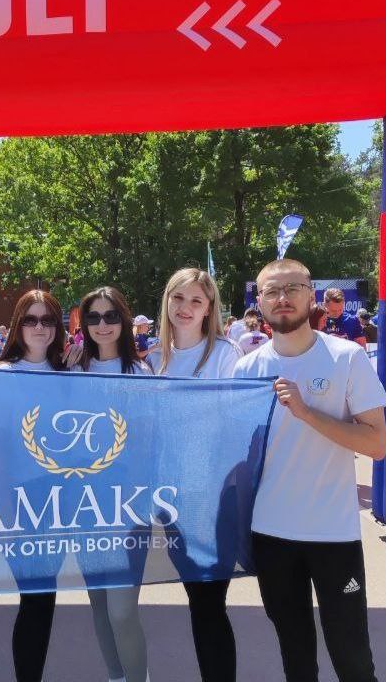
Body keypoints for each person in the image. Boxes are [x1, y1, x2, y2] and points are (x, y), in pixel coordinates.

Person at [234, 258, 386, 682]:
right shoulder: (246, 369)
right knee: (296, 657)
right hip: (271, 534)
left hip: (332, 533)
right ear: (260, 302)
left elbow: (377, 444)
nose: (282, 299)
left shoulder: (346, 357)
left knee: (352, 658)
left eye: (292, 289)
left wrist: (306, 413)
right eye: (272, 292)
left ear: (312, 295)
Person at [147, 268, 242, 681]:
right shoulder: (150, 360)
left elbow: (237, 428)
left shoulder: (225, 354)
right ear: (167, 301)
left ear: (209, 309)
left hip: (212, 500)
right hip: (171, 501)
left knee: (209, 603)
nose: (186, 309)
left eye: (196, 301)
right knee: (196, 598)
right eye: (178, 299)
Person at [0, 290, 75, 682]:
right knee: (34, 599)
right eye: (31, 319)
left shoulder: (69, 373)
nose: (39, 327)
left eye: (47, 320)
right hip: (22, 504)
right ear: (18, 326)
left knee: (45, 600)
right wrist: (5, 512)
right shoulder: (1, 375)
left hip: (64, 501)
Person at [73, 286, 151, 682]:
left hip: (129, 507)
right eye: (93, 317)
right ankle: (116, 676)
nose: (102, 325)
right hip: (84, 508)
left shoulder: (141, 373)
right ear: (84, 324)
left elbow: (154, 442)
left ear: (123, 319)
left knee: (122, 609)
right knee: (99, 605)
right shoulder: (73, 372)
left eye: (110, 316)